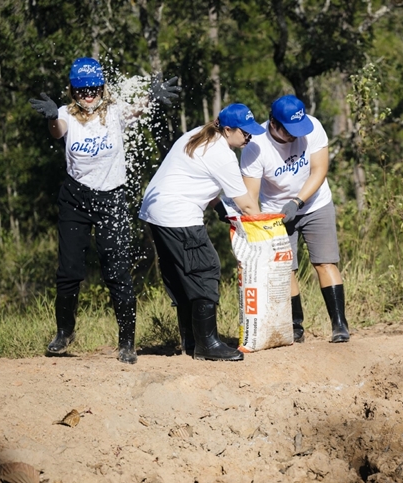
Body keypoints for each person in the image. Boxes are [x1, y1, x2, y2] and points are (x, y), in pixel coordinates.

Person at [29, 57, 180, 364]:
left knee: (117, 271)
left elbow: (137, 108)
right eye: (82, 90)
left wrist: (154, 96)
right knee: (69, 271)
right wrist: (50, 119)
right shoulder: (64, 115)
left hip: (112, 198)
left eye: (94, 89)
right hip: (75, 199)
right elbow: (58, 132)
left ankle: (127, 343)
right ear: (73, 91)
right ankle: (64, 331)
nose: (89, 95)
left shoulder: (114, 112)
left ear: (102, 88)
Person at [139, 103, 264, 361]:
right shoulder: (222, 154)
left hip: (156, 212)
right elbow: (247, 203)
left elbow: (193, 176)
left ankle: (191, 341)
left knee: (183, 276)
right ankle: (207, 344)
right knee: (206, 269)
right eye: (245, 133)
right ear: (228, 130)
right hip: (177, 215)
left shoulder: (196, 134)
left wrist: (217, 206)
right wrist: (265, 228)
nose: (249, 138)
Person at [240, 94, 350, 344]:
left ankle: (340, 325)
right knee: (286, 269)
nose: (295, 136)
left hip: (315, 202)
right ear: (273, 123)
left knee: (325, 262)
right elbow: (251, 196)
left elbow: (320, 169)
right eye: (289, 131)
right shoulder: (255, 147)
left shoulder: (312, 128)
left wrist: (297, 201)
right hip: (276, 212)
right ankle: (295, 326)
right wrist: (258, 228)